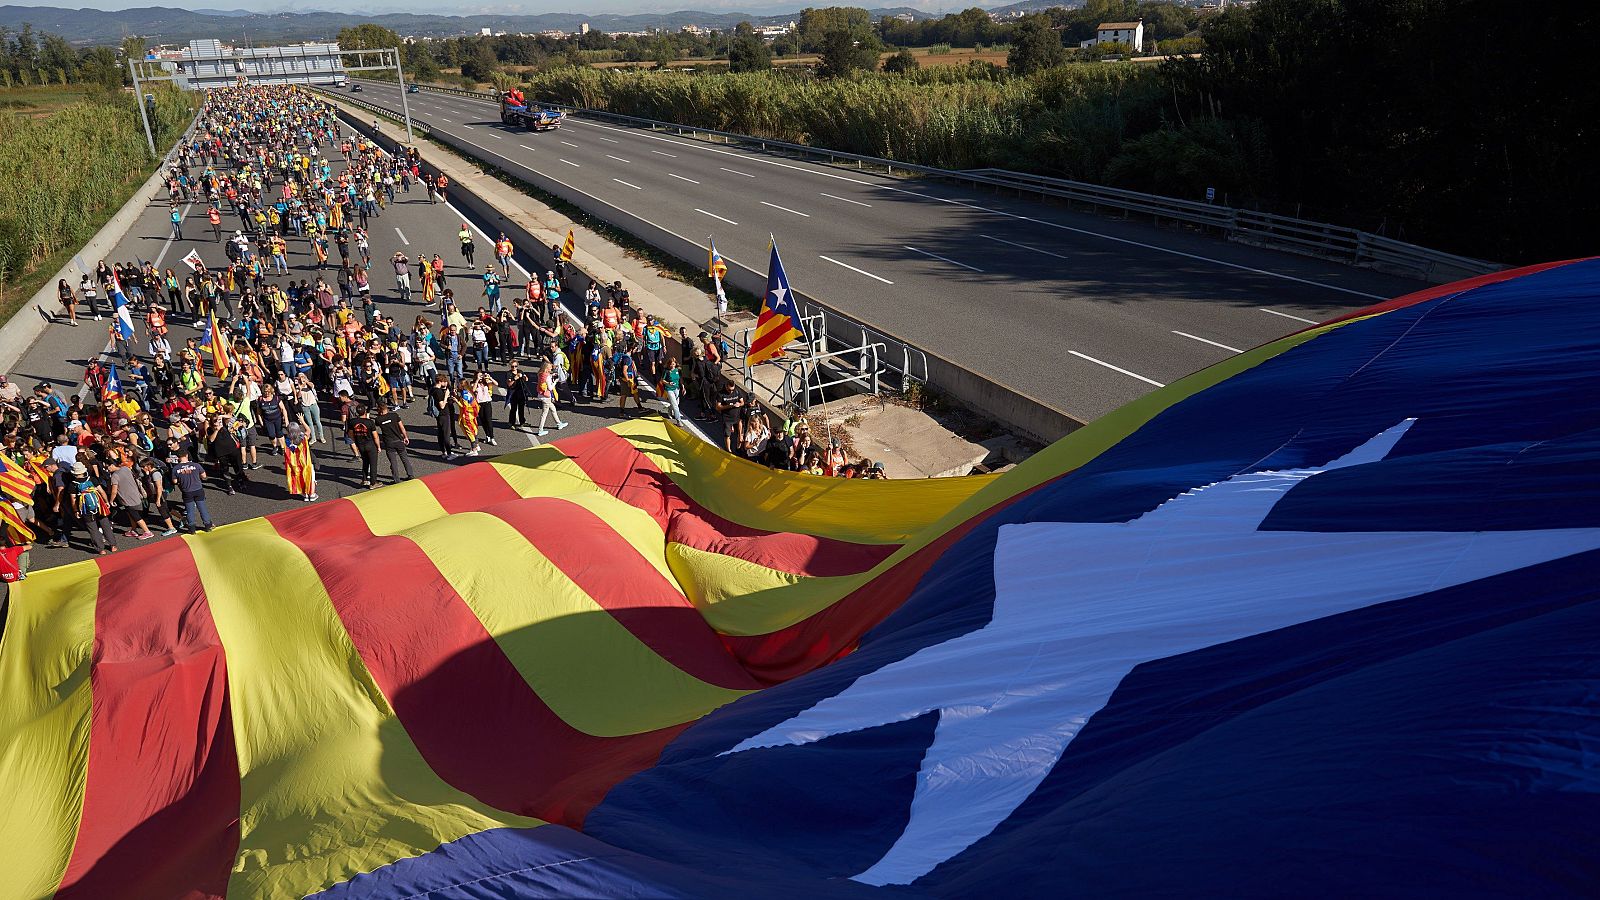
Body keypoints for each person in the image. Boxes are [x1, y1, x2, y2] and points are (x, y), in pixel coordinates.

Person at [69, 462, 117, 555]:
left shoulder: (73, 484)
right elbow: (102, 492)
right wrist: (106, 502)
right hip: (99, 505)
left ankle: (100, 549)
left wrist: (76, 510)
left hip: (85, 508)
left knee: (93, 529)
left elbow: (73, 500)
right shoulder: (92, 479)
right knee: (105, 524)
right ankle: (113, 545)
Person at [373, 399, 413, 482]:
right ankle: (410, 475)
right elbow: (402, 427)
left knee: (393, 462)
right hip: (399, 440)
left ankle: (396, 479)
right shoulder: (394, 415)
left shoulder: (378, 419)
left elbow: (377, 428)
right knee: (405, 458)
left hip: (389, 442)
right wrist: (405, 437)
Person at [345, 402, 380, 486]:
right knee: (373, 464)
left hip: (360, 445)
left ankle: (364, 479)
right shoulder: (370, 422)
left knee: (365, 462)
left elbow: (350, 434)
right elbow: (375, 436)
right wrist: (378, 446)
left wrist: (355, 441)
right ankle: (373, 483)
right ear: (365, 412)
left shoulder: (352, 422)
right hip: (370, 445)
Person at [535, 361, 569, 436]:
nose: (551, 369)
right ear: (546, 368)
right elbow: (550, 387)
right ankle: (540, 430)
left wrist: (551, 375)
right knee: (544, 414)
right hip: (546, 396)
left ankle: (559, 423)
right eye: (550, 367)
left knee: (553, 409)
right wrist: (555, 381)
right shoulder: (547, 377)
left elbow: (545, 378)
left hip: (541, 395)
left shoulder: (540, 374)